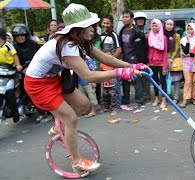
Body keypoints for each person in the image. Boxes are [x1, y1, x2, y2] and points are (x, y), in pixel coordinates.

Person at [24, 3, 146, 172]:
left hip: (51, 80)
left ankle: (58, 126)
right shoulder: (69, 45)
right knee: (71, 119)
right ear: (77, 29)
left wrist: (132, 65)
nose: (93, 29)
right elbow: (88, 76)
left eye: (93, 26)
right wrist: (120, 73)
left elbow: (106, 58)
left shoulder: (82, 42)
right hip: (37, 85)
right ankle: (76, 161)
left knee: (83, 104)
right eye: (88, 26)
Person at [11, 24, 43, 120]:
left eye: (22, 35)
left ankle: (44, 112)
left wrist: (30, 67)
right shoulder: (14, 47)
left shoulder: (33, 45)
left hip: (36, 73)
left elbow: (40, 58)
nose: (20, 38)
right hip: (21, 74)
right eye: (17, 36)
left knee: (36, 93)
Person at [119, 10, 147, 106]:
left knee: (136, 80)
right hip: (125, 59)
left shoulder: (136, 32)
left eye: (126, 17)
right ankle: (126, 99)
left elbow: (142, 47)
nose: (124, 19)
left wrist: (142, 60)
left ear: (131, 19)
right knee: (125, 80)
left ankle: (139, 100)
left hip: (135, 60)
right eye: (123, 17)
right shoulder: (122, 30)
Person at [0, 28, 22, 123]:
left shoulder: (8, 46)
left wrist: (18, 65)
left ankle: (15, 113)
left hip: (10, 69)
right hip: (1, 69)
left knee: (12, 90)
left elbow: (15, 56)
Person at [100, 14, 122, 110]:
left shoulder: (114, 35)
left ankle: (116, 106)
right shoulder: (101, 36)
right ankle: (106, 106)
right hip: (104, 66)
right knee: (105, 87)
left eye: (108, 23)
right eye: (104, 23)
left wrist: (112, 61)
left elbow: (119, 49)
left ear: (112, 24)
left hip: (113, 65)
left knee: (114, 87)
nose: (106, 25)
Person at [146, 19, 168, 108]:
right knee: (154, 81)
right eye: (153, 26)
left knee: (163, 81)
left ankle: (164, 99)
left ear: (159, 26)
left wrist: (165, 67)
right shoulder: (148, 37)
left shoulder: (163, 38)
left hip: (161, 63)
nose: (154, 27)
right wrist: (147, 62)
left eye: (156, 26)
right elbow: (147, 50)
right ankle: (156, 98)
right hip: (151, 63)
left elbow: (165, 52)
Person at [179, 23, 195, 108]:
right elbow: (186, 51)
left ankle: (194, 97)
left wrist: (190, 54)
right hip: (187, 64)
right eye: (188, 29)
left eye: (191, 29)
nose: (189, 31)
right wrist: (188, 40)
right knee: (187, 81)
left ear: (194, 30)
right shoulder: (183, 40)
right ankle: (185, 99)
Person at [134, 12, 150, 101]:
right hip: (136, 60)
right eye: (138, 19)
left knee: (146, 78)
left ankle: (146, 95)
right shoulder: (133, 32)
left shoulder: (147, 32)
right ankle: (139, 96)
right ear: (135, 21)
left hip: (146, 60)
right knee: (137, 79)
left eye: (142, 19)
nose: (140, 21)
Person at [164, 19, 182, 103]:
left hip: (174, 58)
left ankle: (176, 97)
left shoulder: (177, 36)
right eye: (167, 24)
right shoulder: (162, 34)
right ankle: (168, 95)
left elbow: (176, 48)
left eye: (171, 24)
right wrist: (165, 58)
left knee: (176, 79)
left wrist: (171, 59)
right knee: (166, 78)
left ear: (173, 26)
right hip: (164, 58)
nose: (169, 26)